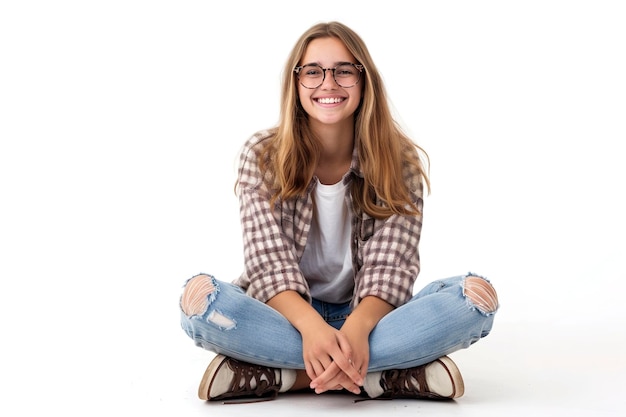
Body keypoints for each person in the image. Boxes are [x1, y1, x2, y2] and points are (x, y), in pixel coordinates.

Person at [179, 21, 498, 403]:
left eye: (344, 70)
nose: (328, 83)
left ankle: (279, 376)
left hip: (369, 315)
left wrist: (357, 330)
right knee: (201, 305)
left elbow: (391, 267)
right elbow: (267, 263)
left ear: (364, 82)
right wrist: (313, 330)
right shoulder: (262, 155)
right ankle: (386, 375)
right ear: (296, 84)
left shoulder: (400, 160)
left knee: (473, 302)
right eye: (313, 71)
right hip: (286, 315)